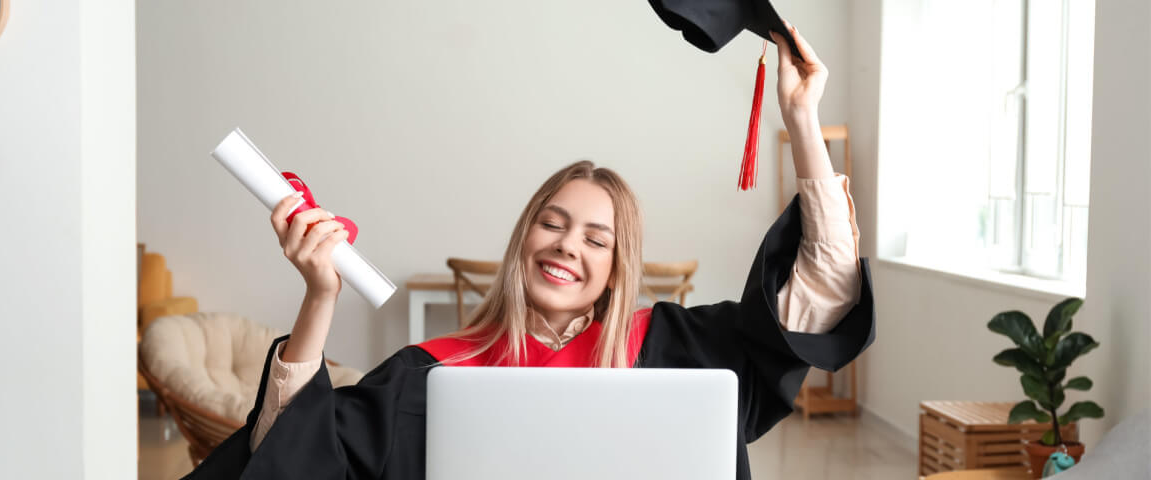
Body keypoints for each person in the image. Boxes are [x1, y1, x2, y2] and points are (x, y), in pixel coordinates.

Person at [184, 23, 873, 480]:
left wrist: (801, 118)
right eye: (552, 223)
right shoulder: (431, 377)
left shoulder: (675, 349)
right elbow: (293, 457)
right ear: (523, 239)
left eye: (596, 239)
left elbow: (823, 289)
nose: (568, 246)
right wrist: (321, 296)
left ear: (614, 270)